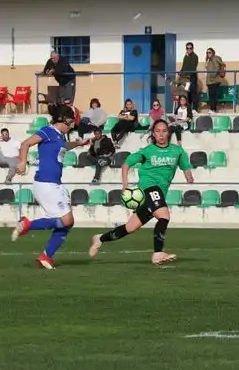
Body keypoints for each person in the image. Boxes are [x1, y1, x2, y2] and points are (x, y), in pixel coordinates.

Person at [88, 119, 195, 265]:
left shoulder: (177, 151)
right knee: (164, 216)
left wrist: (188, 176)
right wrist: (125, 186)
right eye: (157, 131)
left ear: (169, 133)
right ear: (153, 134)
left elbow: (186, 168)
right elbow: (126, 164)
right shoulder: (147, 151)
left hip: (159, 193)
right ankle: (158, 253)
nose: (161, 134)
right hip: (148, 188)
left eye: (164, 131)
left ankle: (99, 239)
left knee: (130, 227)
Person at [11, 105, 91, 269]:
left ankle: (46, 257)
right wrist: (22, 162)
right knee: (67, 220)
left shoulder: (59, 136)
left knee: (67, 223)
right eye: (70, 123)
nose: (71, 126)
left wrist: (78, 143)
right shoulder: (47, 131)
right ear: (64, 120)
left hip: (53, 184)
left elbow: (63, 146)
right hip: (46, 183)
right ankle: (27, 225)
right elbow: (26, 144)